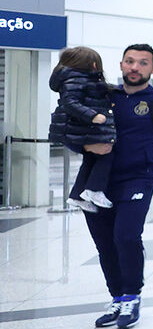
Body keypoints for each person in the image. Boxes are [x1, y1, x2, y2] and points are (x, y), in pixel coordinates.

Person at [71, 43, 153, 329]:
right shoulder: (101, 97)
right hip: (97, 182)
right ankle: (116, 297)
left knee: (126, 236)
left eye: (142, 63)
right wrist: (85, 144)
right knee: (104, 243)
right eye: (130, 61)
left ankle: (131, 297)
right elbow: (69, 130)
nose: (135, 67)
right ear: (122, 64)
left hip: (139, 178)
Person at [48, 46, 117, 211]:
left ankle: (77, 196)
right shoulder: (76, 80)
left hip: (73, 131)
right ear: (93, 64)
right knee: (106, 152)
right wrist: (92, 115)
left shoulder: (75, 79)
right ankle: (94, 190)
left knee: (91, 158)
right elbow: (70, 103)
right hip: (73, 130)